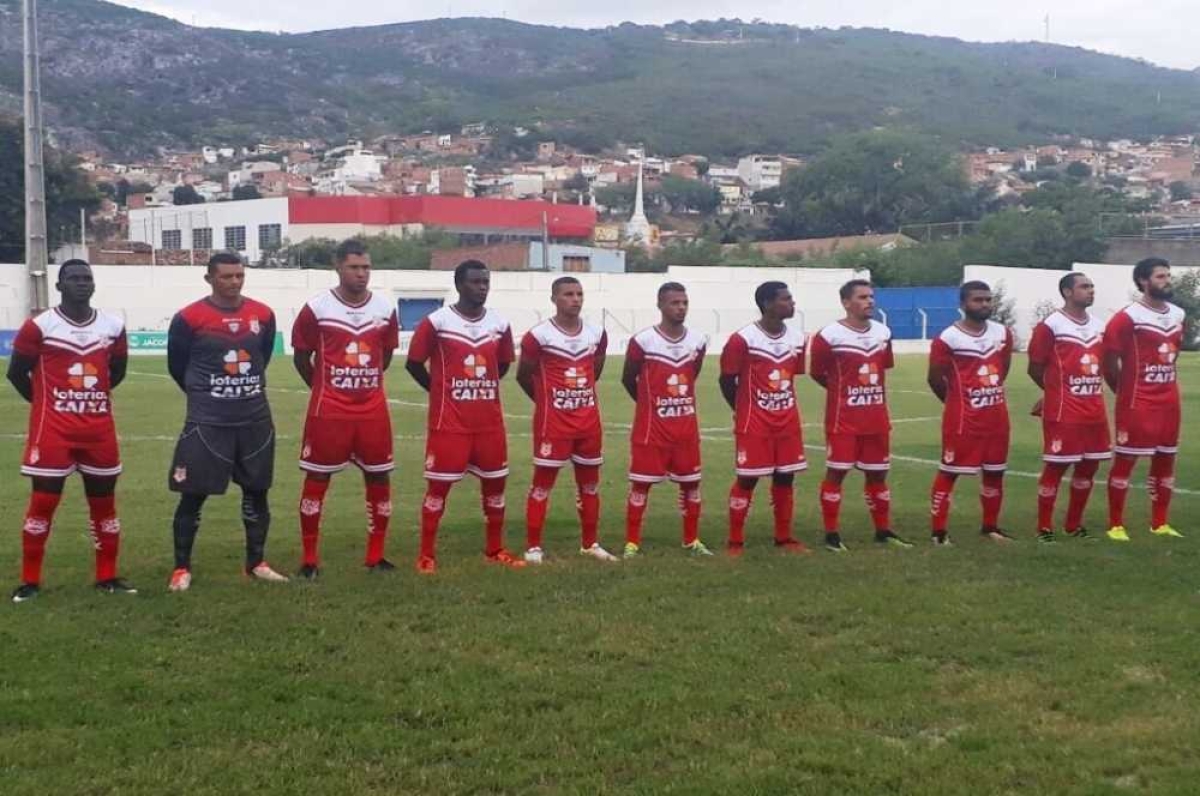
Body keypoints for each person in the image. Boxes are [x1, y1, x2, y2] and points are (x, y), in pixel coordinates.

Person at [7, 260, 136, 602]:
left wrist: (88, 400)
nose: (82, 283)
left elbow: (117, 372)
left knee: (104, 506)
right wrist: (45, 405)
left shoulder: (113, 326)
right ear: (60, 285)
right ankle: (30, 581)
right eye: (73, 279)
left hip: (99, 432)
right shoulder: (40, 326)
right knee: (43, 503)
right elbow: (16, 373)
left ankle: (107, 576)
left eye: (87, 278)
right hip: (53, 433)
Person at [166, 252, 288, 591]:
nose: (234, 282)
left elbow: (261, 358)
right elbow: (177, 366)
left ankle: (256, 563)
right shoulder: (189, 318)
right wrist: (206, 395)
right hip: (208, 422)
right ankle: (181, 568)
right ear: (209, 279)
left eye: (239, 276)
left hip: (254, 420)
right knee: (192, 495)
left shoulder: (262, 314)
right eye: (226, 276)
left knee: (257, 492)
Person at [406, 260, 524, 573]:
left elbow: (501, 365)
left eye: (485, 282)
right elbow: (414, 363)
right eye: (475, 282)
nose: (482, 287)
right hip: (450, 425)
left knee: (496, 488)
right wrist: (439, 391)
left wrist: (477, 388)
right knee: (438, 490)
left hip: (489, 424)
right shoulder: (437, 322)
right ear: (459, 285)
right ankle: (426, 555)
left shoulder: (498, 323)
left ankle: (495, 549)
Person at [292, 239, 400, 578]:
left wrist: (362, 383)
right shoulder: (318, 307)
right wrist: (324, 386)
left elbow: (385, 356)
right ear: (338, 267)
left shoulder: (384, 308)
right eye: (354, 267)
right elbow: (300, 356)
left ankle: (376, 556)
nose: (361, 274)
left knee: (379, 475)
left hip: (372, 411)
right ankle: (310, 560)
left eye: (366, 267)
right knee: (317, 476)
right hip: (330, 411)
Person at [516, 276, 617, 564]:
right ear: (554, 299)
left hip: (588, 423)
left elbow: (594, 370)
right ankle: (533, 546)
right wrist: (547, 402)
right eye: (568, 294)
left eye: (579, 294)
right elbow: (524, 375)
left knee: (590, 485)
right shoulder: (539, 336)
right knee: (542, 484)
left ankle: (590, 543)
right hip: (554, 425)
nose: (575, 299)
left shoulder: (597, 333)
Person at [809, 280, 911, 550]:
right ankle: (831, 534)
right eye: (863, 297)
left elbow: (883, 367)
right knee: (836, 474)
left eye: (871, 296)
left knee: (878, 475)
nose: (870, 302)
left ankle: (883, 531)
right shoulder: (828, 335)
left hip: (876, 419)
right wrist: (844, 393)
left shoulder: (883, 333)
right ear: (846, 302)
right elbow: (818, 372)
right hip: (844, 420)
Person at [719, 281, 811, 554]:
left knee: (785, 477)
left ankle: (784, 537)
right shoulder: (743, 339)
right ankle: (735, 541)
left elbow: (789, 377)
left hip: (787, 420)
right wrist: (742, 409)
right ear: (768, 304)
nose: (792, 303)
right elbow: (726, 379)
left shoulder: (797, 338)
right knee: (748, 478)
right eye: (786, 299)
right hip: (755, 423)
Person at [622, 282, 711, 557]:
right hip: (652, 431)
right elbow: (628, 378)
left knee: (691, 484)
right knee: (641, 485)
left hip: (685, 429)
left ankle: (691, 539)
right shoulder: (643, 341)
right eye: (674, 303)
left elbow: (691, 374)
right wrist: (649, 404)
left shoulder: (697, 340)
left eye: (684, 302)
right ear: (660, 305)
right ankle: (632, 542)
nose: (681, 307)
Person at [1103, 258, 1186, 541]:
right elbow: (1108, 359)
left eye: (1168, 275)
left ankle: (1160, 522)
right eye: (1160, 276)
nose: (1167, 280)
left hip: (1169, 400)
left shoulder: (1178, 314)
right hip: (1138, 401)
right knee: (1126, 461)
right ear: (1143, 281)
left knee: (1166, 460)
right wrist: (1123, 390)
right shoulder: (1128, 317)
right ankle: (1116, 525)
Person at [927, 281, 1016, 544]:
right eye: (978, 300)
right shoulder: (948, 338)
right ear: (963, 304)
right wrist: (956, 403)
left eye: (988, 300)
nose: (985, 304)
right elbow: (934, 378)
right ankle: (939, 532)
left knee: (995, 472)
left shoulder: (1002, 333)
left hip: (997, 418)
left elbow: (1003, 370)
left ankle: (991, 527)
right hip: (964, 421)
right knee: (949, 471)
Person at [1026, 272, 1110, 542]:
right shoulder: (1051, 325)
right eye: (1084, 286)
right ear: (1067, 292)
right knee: (1056, 467)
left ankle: (1074, 525)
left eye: (1092, 286)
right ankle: (1044, 528)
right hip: (1064, 411)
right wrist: (1054, 392)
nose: (1091, 290)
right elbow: (1035, 367)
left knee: (1089, 467)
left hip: (1095, 409)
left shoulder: (1099, 326)